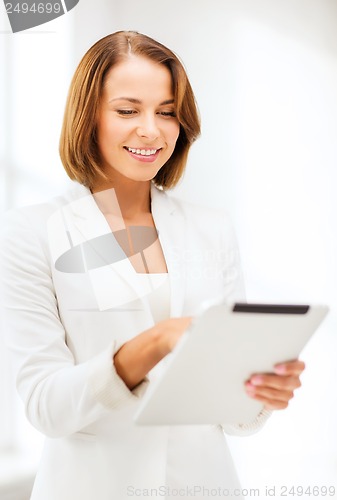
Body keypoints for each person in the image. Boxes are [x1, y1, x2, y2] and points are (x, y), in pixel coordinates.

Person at [0, 31, 304, 500]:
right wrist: (156, 342)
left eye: (166, 112)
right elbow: (46, 406)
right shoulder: (31, 232)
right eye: (127, 110)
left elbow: (233, 417)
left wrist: (259, 391)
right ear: (88, 117)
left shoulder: (211, 229)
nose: (152, 129)